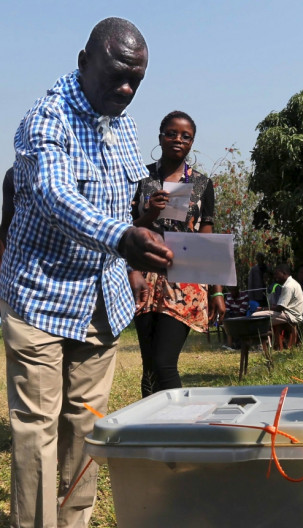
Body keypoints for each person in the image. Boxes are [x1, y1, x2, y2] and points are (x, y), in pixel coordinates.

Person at [0, 17, 174, 527]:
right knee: (36, 430)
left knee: (89, 426)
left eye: (135, 81)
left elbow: (122, 200)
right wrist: (122, 238)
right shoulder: (47, 120)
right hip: (41, 296)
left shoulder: (122, 124)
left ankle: (73, 521)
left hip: (102, 299)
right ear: (84, 61)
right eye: (117, 75)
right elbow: (56, 196)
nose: (125, 89)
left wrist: (142, 222)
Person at [131, 111, 225, 397]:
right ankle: (150, 431)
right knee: (149, 365)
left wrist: (217, 291)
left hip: (185, 276)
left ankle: (180, 424)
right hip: (143, 276)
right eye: (171, 133)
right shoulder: (140, 178)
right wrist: (151, 213)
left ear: (192, 142)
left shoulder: (202, 184)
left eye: (186, 136)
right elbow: (127, 229)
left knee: (164, 362)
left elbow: (206, 236)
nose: (178, 140)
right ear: (160, 137)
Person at [252, 263, 303, 329]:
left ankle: (263, 338)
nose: (275, 276)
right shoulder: (292, 283)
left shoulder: (288, 286)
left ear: (284, 273)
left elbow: (279, 308)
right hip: (291, 314)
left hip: (291, 316)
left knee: (255, 316)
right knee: (262, 317)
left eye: (277, 274)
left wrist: (262, 309)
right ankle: (268, 337)